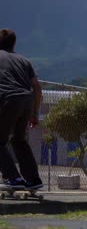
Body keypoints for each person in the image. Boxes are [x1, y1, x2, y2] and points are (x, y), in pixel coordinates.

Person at [0, 28, 43, 190]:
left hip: (8, 99)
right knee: (19, 140)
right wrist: (34, 114)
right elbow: (37, 88)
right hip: (26, 101)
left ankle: (14, 178)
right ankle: (33, 179)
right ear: (14, 43)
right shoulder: (24, 60)